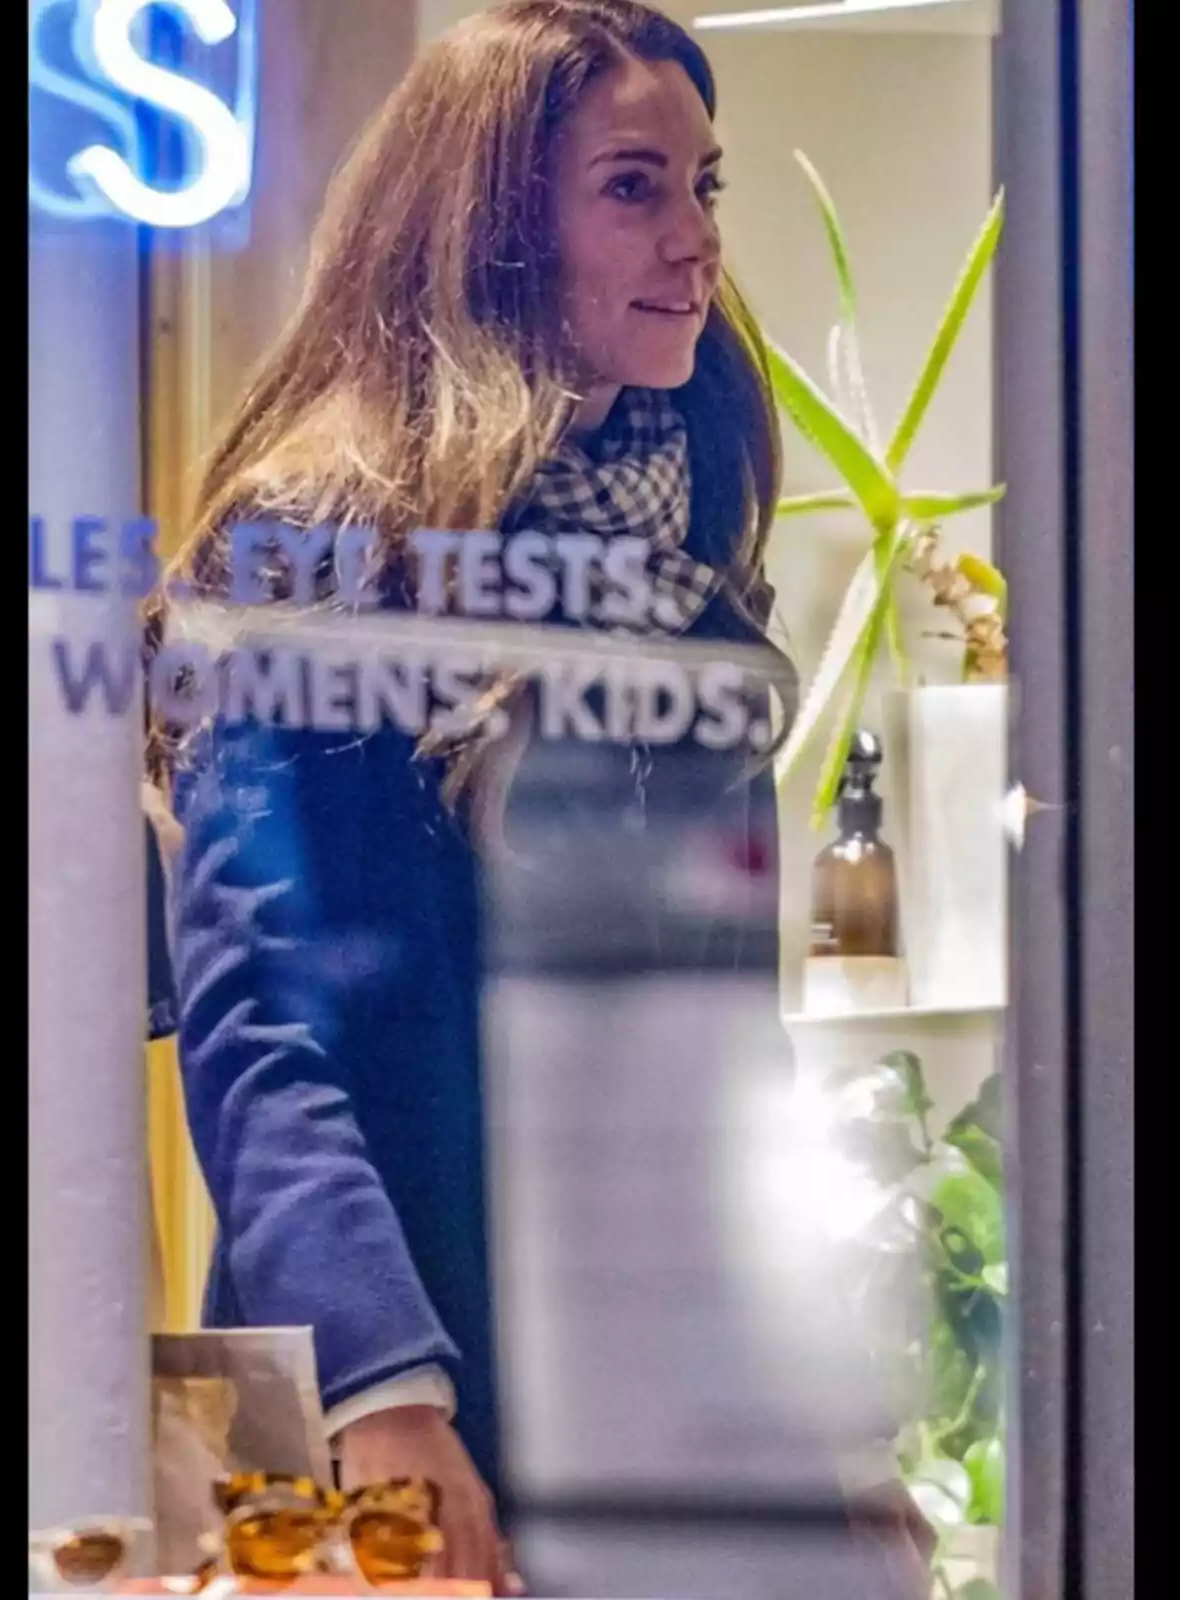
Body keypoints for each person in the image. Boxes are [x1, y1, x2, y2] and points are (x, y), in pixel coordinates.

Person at [145, 2, 934, 1593]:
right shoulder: (316, 548)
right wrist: (384, 1397)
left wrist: (836, 1434)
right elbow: (265, 1028)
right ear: (494, 225)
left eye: (704, 186)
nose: (695, 239)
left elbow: (725, 1069)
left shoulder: (684, 593)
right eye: (632, 187)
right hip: (392, 1370)